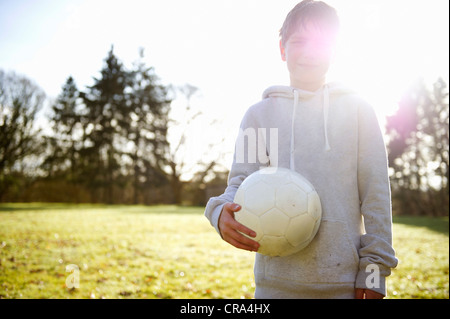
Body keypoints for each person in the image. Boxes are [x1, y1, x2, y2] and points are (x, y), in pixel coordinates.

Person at [204, 0, 398, 299]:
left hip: (344, 285)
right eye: (299, 42)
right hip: (274, 287)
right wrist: (219, 213)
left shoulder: (358, 112)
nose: (309, 52)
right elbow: (240, 184)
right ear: (282, 49)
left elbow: (376, 197)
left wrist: (373, 275)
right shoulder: (259, 115)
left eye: (320, 43)